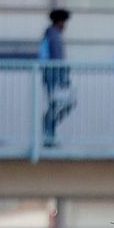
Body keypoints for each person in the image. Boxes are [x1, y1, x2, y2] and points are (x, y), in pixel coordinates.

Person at [39, 8, 73, 148]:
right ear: (60, 21)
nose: (66, 25)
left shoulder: (52, 35)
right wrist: (64, 77)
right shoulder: (53, 36)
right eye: (65, 21)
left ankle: (49, 130)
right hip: (54, 77)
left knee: (60, 104)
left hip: (53, 76)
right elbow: (56, 59)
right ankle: (48, 130)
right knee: (65, 103)